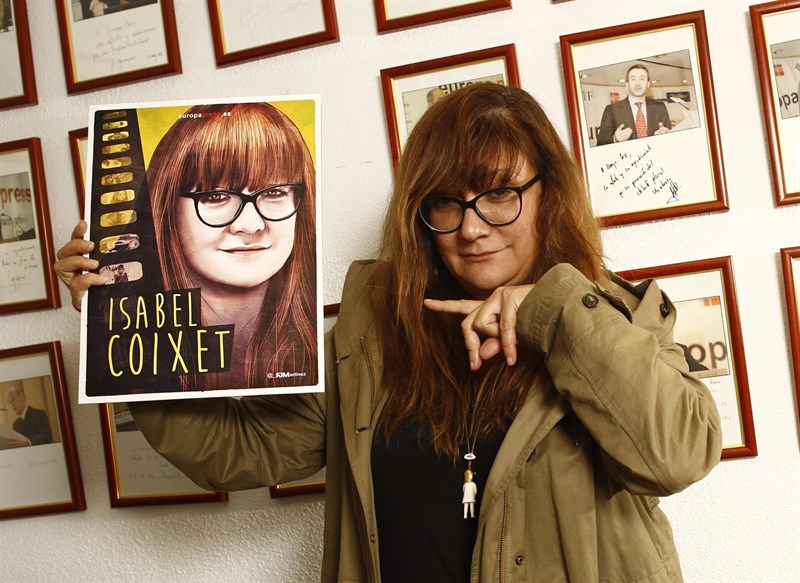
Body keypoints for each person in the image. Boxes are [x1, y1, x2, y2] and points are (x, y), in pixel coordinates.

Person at [55, 84, 721, 582]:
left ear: (550, 192)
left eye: (499, 194)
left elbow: (677, 454)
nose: (471, 227)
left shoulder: (611, 314)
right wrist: (128, 324)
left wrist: (555, 308)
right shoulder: (375, 328)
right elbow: (239, 450)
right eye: (445, 202)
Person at [65, 102, 319, 392]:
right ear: (167, 208)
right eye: (215, 196)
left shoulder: (324, 346)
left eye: (274, 192)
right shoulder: (134, 347)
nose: (251, 225)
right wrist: (97, 312)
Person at [596, 64, 672, 146]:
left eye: (642, 79)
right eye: (633, 79)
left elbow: (670, 141)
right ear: (627, 84)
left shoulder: (660, 107)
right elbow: (600, 143)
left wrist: (668, 135)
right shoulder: (612, 109)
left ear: (648, 84)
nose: (638, 83)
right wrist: (615, 139)